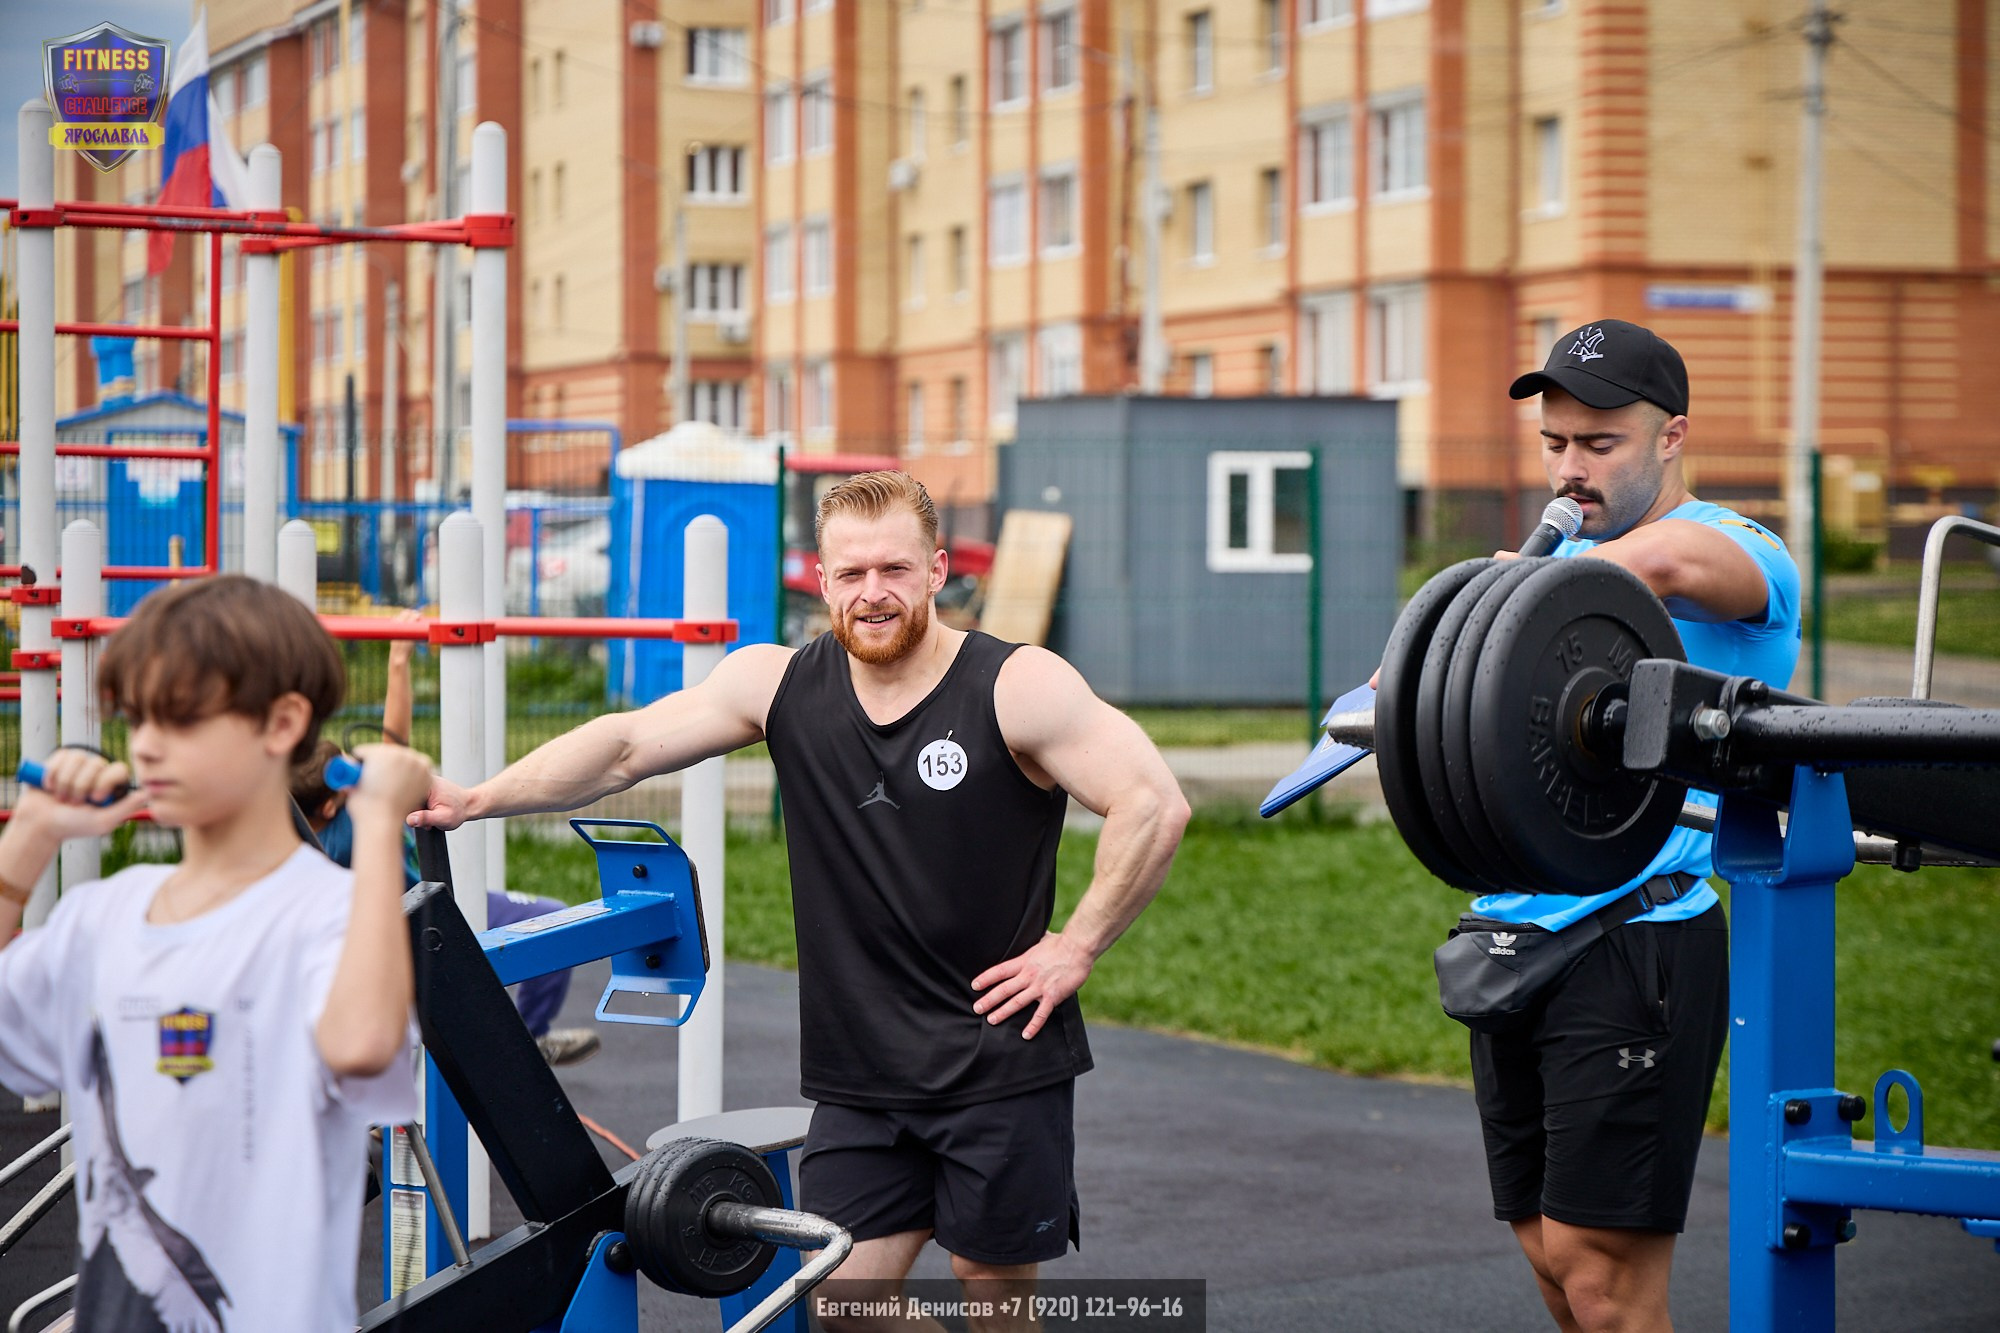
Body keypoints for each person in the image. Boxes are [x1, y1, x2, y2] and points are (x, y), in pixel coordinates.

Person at [411, 471, 1190, 1329]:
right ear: (821, 581)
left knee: (994, 1294)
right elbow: (629, 745)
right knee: (842, 1295)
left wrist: (1074, 946)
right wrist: (479, 798)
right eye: (851, 574)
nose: (873, 594)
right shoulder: (780, 685)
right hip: (863, 1076)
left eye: (894, 570)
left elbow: (1151, 801)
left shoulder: (1015, 685)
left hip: (997, 1059)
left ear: (937, 571)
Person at [1473, 320, 1801, 1333]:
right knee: (1543, 1249)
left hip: (1639, 933)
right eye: (1554, 443)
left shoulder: (1742, 550)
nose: (1571, 469)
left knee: (1602, 1278)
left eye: (1599, 443)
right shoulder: (1540, 570)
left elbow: (1660, 562)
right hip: (1510, 925)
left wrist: (1536, 585)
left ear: (1669, 436)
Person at [0, 574, 434, 1331]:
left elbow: (362, 1045)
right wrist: (25, 845)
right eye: (137, 718)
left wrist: (376, 828)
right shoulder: (105, 913)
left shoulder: (328, 912)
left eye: (182, 718)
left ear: (281, 722)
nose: (145, 744)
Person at [290, 609, 600, 1067]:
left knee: (546, 919)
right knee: (551, 924)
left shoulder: (295, 832)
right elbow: (394, 743)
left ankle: (526, 1044)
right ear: (333, 802)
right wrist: (398, 661)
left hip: (411, 925)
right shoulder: (355, 816)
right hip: (422, 927)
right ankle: (522, 1043)